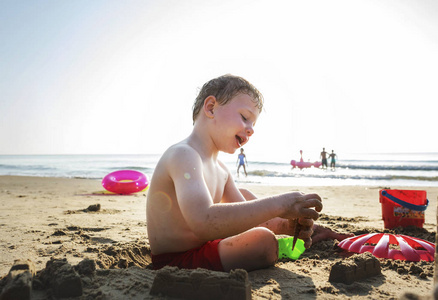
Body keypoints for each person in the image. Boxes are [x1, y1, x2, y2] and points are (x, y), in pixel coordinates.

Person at [146, 74, 351, 272]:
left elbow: (245, 220)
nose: (251, 129)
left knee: (244, 197)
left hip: (206, 247)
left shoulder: (222, 170)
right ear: (210, 108)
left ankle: (296, 232)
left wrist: (287, 225)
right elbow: (203, 222)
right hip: (176, 260)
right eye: (245, 118)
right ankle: (274, 248)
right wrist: (279, 204)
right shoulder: (184, 154)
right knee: (263, 241)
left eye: (253, 124)